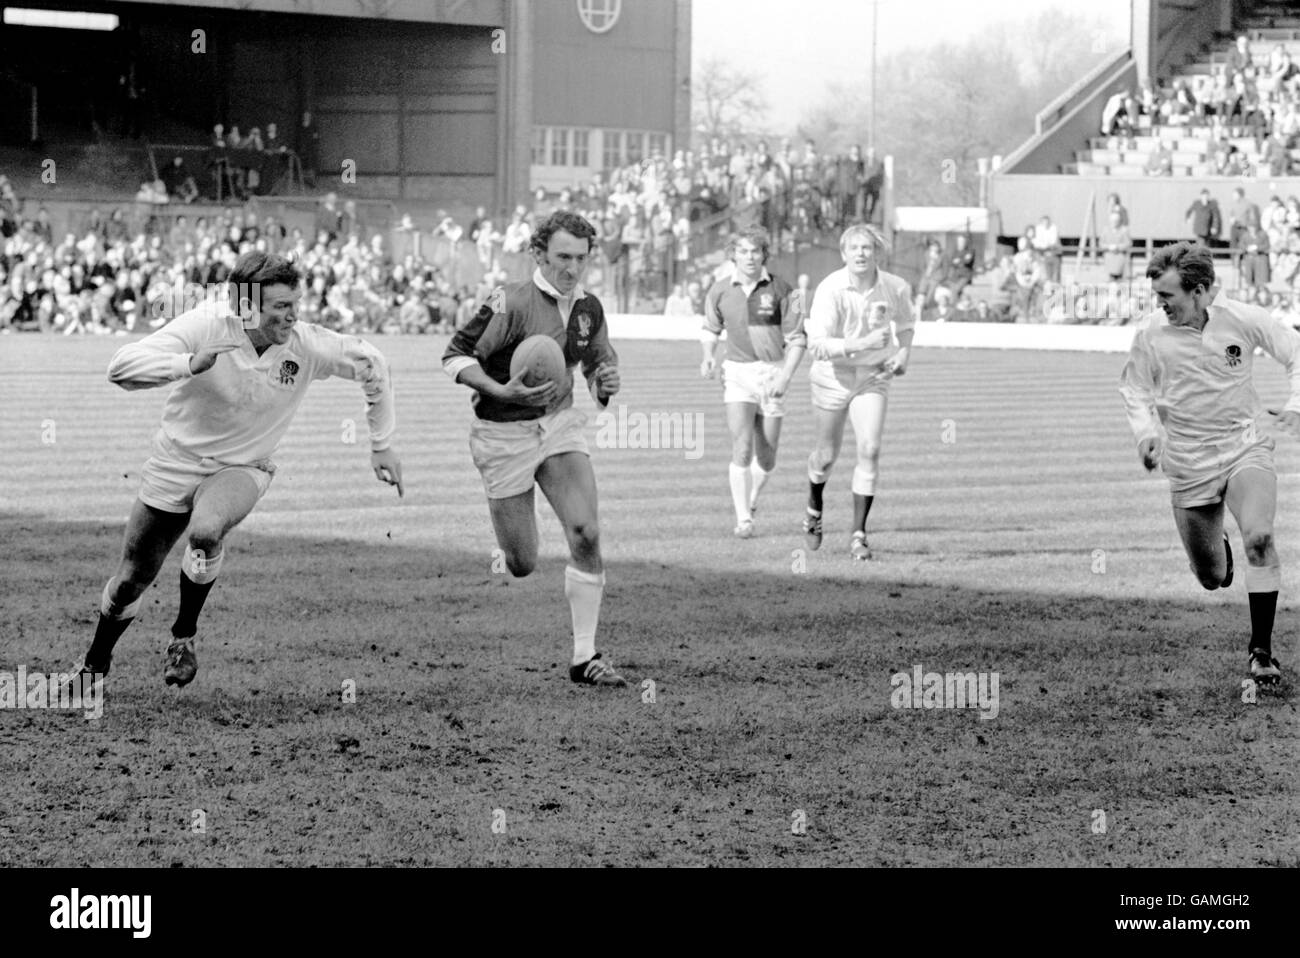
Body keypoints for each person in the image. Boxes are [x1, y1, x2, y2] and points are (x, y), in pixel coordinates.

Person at [69, 252, 404, 687]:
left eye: (294, 303)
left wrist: (382, 445)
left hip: (244, 466)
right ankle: (95, 664)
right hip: (176, 462)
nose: (292, 315)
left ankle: (182, 637)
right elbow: (121, 367)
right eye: (280, 307)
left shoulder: (306, 343)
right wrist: (189, 364)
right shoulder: (206, 323)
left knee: (206, 532)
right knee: (131, 579)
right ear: (244, 305)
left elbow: (372, 363)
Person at [441, 211, 627, 688]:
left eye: (581, 258)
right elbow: (455, 355)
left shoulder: (590, 309)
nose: (572, 268)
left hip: (559, 424)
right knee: (522, 563)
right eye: (563, 256)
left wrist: (606, 383)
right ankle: (512, 520)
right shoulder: (510, 301)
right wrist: (500, 390)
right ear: (538, 254)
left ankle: (585, 658)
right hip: (503, 433)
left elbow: (596, 374)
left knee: (586, 531)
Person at [1119, 242, 1294, 685]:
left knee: (1260, 536)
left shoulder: (1244, 318)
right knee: (1211, 577)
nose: (1161, 305)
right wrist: (1146, 434)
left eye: (1167, 296)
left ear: (1198, 291)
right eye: (1158, 296)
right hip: (1188, 462)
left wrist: (1297, 405)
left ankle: (1261, 653)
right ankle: (1219, 553)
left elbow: (1296, 350)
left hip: (1243, 448)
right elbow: (1135, 389)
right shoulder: (1151, 333)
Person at [801, 224, 914, 561]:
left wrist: (902, 354)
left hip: (873, 375)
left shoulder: (895, 287)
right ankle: (814, 506)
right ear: (843, 254)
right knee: (825, 456)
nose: (861, 254)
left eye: (867, 248)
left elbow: (906, 327)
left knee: (871, 448)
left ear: (876, 252)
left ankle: (859, 535)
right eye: (855, 248)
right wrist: (860, 344)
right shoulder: (830, 289)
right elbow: (817, 345)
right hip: (832, 377)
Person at [700, 226, 807, 538]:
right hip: (737, 373)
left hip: (773, 372)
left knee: (767, 457)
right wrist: (708, 355)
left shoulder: (786, 291)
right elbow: (710, 328)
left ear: (764, 255)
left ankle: (752, 498)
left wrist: (785, 377)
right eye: (743, 251)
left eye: (755, 251)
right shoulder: (719, 290)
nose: (749, 257)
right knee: (742, 446)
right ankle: (744, 518)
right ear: (733, 255)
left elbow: (798, 340)